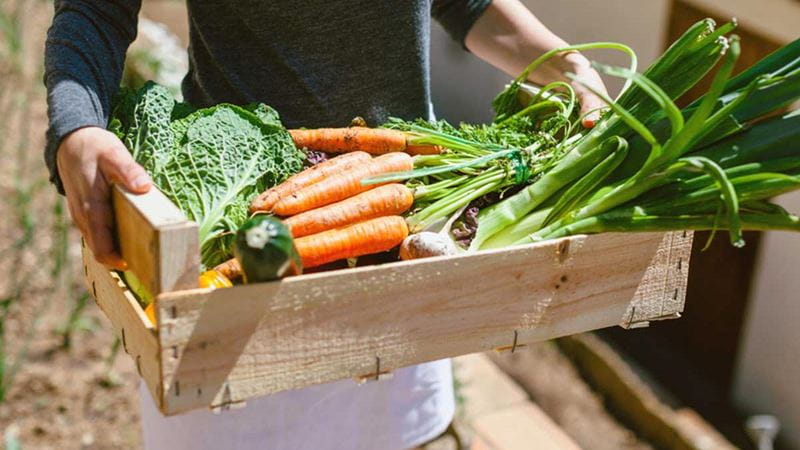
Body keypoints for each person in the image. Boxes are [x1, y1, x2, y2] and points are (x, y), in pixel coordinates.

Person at [44, 1, 608, 448]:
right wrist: (78, 125)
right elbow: (97, 7)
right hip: (243, 254)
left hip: (399, 236)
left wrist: (566, 64)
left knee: (388, 432)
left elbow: (467, 2)